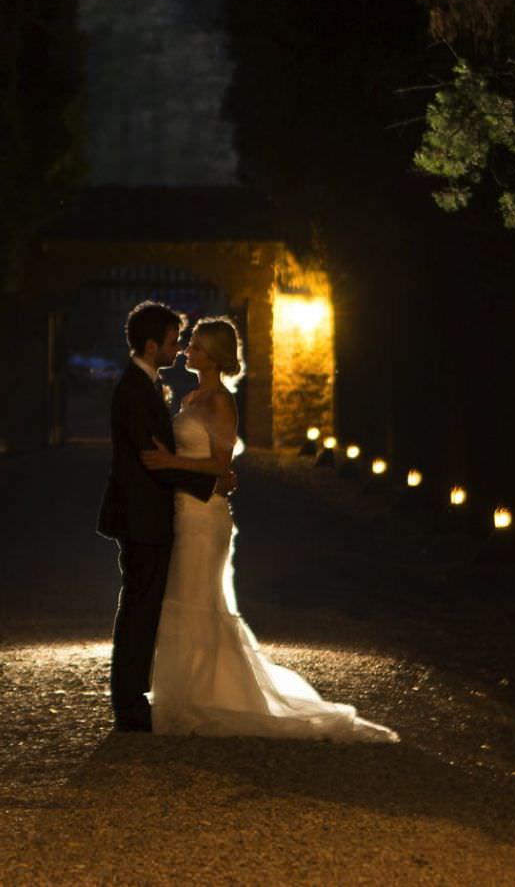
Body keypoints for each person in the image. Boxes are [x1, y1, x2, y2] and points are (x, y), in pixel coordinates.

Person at [139, 316, 397, 742]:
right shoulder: (191, 399)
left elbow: (221, 466)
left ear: (217, 356)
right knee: (181, 598)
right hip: (183, 510)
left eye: (198, 347)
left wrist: (171, 463)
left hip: (206, 516)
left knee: (202, 600)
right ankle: (183, 693)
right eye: (190, 345)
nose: (188, 351)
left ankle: (210, 698)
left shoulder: (221, 401)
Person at [97, 301, 218, 732]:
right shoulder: (133, 390)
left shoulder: (144, 385)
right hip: (142, 519)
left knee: (142, 607)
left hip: (144, 517)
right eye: (171, 342)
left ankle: (132, 698)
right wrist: (211, 484)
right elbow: (155, 460)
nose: (178, 348)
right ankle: (129, 704)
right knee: (139, 609)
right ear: (151, 345)